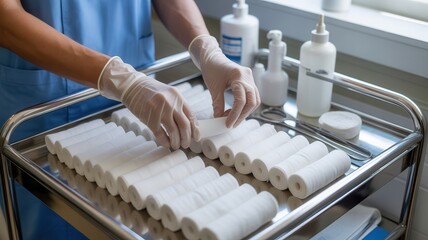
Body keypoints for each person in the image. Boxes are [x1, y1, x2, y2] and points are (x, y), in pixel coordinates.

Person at [0, 0, 260, 239]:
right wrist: (119, 79)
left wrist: (205, 48)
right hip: (48, 103)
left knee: (143, 219)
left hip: (141, 92)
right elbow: (5, 16)